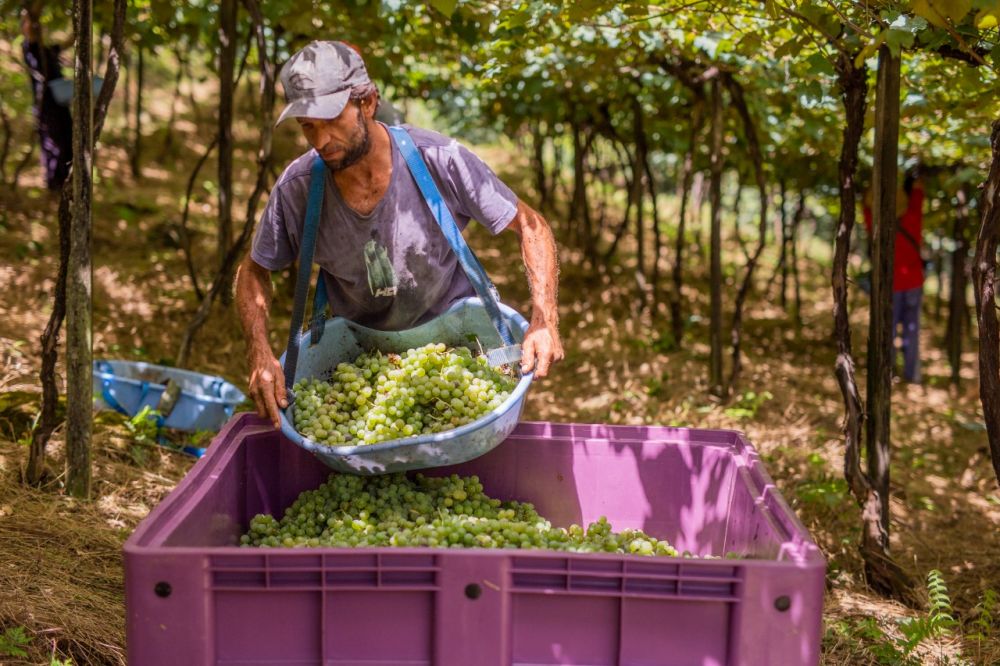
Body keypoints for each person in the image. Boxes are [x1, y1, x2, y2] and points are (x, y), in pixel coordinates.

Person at [236, 41, 564, 428]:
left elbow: (531, 225)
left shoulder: (439, 159)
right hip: (361, 363)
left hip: (458, 354)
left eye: (331, 120)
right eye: (308, 126)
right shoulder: (299, 188)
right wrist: (259, 351)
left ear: (368, 102)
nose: (320, 140)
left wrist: (544, 320)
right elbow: (253, 271)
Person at [862, 171, 925, 383]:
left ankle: (886, 372)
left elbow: (867, 205)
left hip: (891, 284)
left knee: (887, 329)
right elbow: (918, 194)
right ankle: (912, 375)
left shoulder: (879, 225)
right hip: (915, 282)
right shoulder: (913, 217)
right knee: (911, 329)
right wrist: (914, 181)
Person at [20, 6, 73, 191]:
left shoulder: (47, 50)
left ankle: (66, 182)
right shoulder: (31, 49)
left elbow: (69, 42)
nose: (35, 26)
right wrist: (34, 9)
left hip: (60, 105)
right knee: (53, 145)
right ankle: (55, 186)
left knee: (67, 142)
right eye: (29, 23)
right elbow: (31, 21)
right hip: (46, 107)